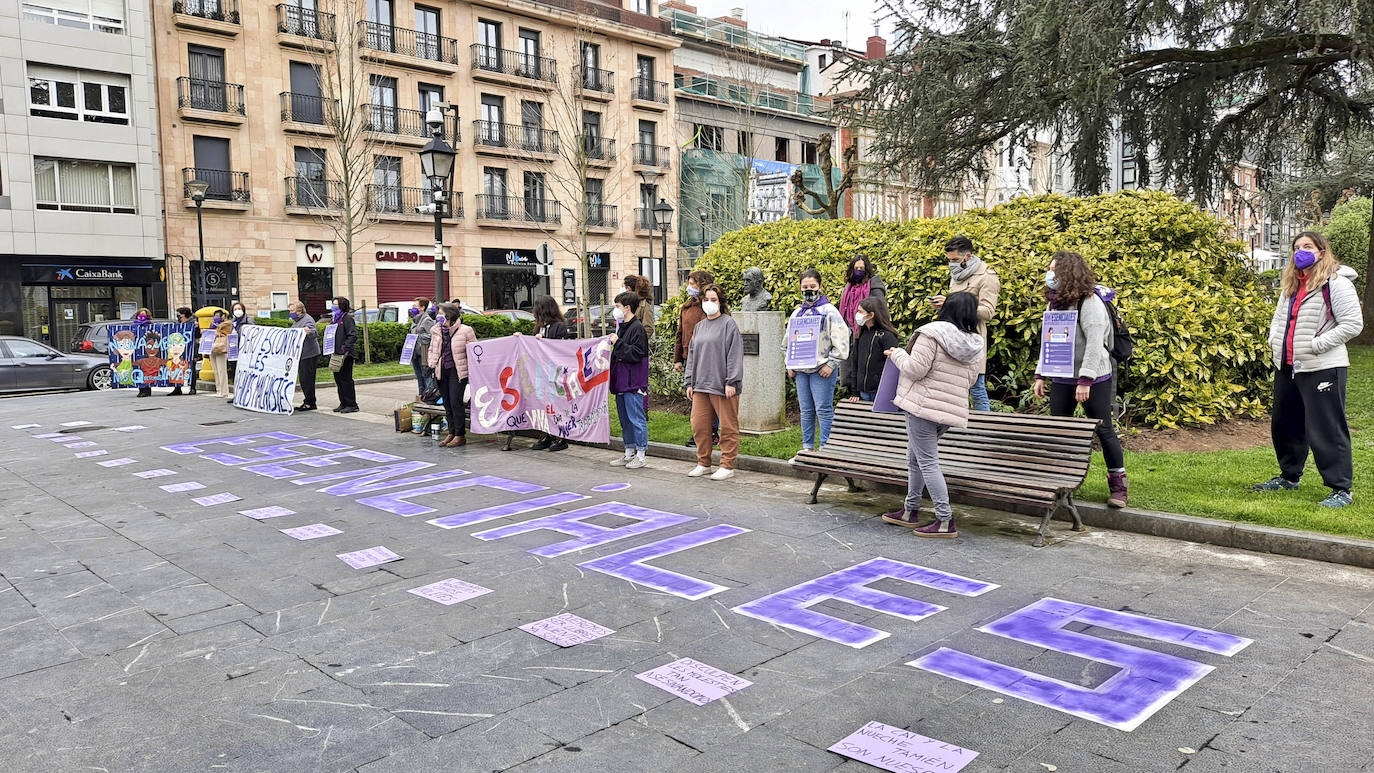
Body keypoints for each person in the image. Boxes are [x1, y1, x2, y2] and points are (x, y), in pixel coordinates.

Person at [1254, 231, 1363, 508]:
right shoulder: (1292, 283)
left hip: (1322, 366)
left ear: (1322, 251)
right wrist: (1274, 343)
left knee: (1327, 428)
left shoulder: (1336, 283)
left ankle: (1341, 489)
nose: (1300, 251)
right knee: (1285, 424)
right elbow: (1279, 319)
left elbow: (1352, 324)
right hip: (1289, 365)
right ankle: (1289, 477)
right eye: (1296, 247)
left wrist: (1316, 345)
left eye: (1308, 246)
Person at [880, 292, 985, 538]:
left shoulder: (931, 333)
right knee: (916, 459)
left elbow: (915, 370)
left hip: (922, 407)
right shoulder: (973, 343)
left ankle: (945, 519)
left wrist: (896, 354)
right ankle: (910, 510)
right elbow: (970, 380)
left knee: (927, 462)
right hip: (947, 411)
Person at [1032, 250, 1128, 508]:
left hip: (1094, 378)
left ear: (1067, 273)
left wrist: (1085, 380)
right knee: (1060, 430)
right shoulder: (1055, 302)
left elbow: (1096, 344)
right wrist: (1041, 374)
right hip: (1062, 376)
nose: (1049, 275)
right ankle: (1060, 485)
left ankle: (1119, 486)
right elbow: (1048, 340)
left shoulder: (1091, 303)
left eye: (1054, 270)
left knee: (1104, 430)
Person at [787, 268, 850, 459]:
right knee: (806, 410)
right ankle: (807, 448)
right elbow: (787, 341)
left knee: (823, 410)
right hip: (801, 370)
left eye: (812, 286)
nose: (809, 290)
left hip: (821, 369)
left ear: (820, 287)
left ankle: (826, 448)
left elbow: (841, 339)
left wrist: (831, 363)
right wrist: (789, 363)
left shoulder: (830, 311)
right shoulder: (797, 313)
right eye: (805, 287)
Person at [933, 236, 1000, 411]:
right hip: (951, 337)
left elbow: (988, 312)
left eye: (955, 260)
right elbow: (954, 305)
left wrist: (952, 304)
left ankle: (982, 430)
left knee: (976, 388)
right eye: (949, 260)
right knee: (952, 389)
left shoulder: (987, 276)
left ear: (968, 256)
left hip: (972, 339)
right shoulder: (956, 275)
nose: (952, 264)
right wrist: (942, 305)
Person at [684, 285, 744, 480]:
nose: (709, 303)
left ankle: (727, 465)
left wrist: (732, 382)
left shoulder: (729, 324)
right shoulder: (700, 326)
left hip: (723, 385)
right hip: (701, 384)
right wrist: (689, 382)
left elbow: (734, 354)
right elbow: (692, 355)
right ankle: (704, 462)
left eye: (713, 300)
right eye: (706, 299)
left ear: (720, 302)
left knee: (727, 426)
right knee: (699, 426)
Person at [674, 270, 717, 448]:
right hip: (690, 358)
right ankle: (701, 431)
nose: (689, 287)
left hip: (707, 359)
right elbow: (680, 334)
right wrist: (678, 359)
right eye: (689, 283)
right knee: (696, 398)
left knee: (710, 397)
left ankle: (712, 431)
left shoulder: (708, 307)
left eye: (693, 283)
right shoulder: (686, 308)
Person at [609, 291, 650, 469]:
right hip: (621, 381)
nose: (615, 310)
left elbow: (637, 354)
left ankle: (641, 454)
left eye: (618, 306)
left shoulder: (637, 328)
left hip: (633, 382)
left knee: (636, 418)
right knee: (625, 419)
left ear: (627, 308)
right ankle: (629, 451)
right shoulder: (623, 326)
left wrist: (618, 343)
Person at [427, 303, 477, 447]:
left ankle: (460, 435)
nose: (438, 316)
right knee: (447, 403)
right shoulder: (436, 330)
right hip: (441, 370)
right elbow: (432, 349)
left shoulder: (466, 331)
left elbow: (474, 351)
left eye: (441, 313)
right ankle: (452, 431)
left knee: (456, 402)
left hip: (458, 371)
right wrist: (432, 363)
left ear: (449, 315)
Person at [837, 254, 887, 391]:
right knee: (849, 365)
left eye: (862, 268)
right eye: (856, 268)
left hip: (866, 331)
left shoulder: (874, 286)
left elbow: (879, 307)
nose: (859, 271)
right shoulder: (848, 287)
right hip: (849, 332)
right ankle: (851, 391)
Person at [530, 295, 572, 452]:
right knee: (542, 404)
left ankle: (560, 437)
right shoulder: (540, 326)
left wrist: (544, 341)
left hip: (554, 373)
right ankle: (545, 435)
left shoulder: (559, 327)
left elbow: (559, 350)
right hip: (541, 372)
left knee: (555, 405)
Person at [845, 296, 901, 402]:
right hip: (863, 393)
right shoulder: (861, 334)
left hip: (880, 392)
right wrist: (854, 391)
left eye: (860, 312)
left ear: (871, 315)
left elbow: (892, 368)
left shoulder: (887, 336)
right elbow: (855, 363)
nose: (857, 315)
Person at [329, 297, 360, 414]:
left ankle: (352, 404)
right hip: (335, 353)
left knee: (346, 379)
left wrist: (345, 347)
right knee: (338, 380)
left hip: (345, 354)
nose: (333, 306)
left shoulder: (347, 319)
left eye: (336, 304)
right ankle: (343, 403)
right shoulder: (334, 319)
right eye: (333, 304)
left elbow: (353, 335)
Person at [289, 301, 319, 411]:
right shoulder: (296, 321)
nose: (290, 313)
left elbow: (314, 332)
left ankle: (310, 402)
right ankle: (308, 400)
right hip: (301, 355)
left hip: (308, 354)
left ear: (300, 311)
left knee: (307, 379)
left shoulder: (307, 320)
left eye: (292, 311)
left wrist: (309, 332)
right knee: (303, 379)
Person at [409, 296, 436, 401]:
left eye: (415, 306)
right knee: (419, 376)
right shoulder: (415, 320)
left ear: (422, 307)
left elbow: (432, 336)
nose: (413, 308)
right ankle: (421, 395)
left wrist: (418, 337)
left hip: (423, 353)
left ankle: (428, 396)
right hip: (415, 353)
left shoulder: (427, 320)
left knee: (426, 376)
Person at [225, 301, 253, 401]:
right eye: (235, 309)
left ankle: (247, 394)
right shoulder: (233, 322)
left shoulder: (248, 321)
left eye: (239, 309)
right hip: (234, 351)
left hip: (244, 350)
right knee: (235, 373)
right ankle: (237, 394)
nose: (237, 311)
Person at [169, 307, 197, 397]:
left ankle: (192, 387)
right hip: (179, 350)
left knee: (191, 368)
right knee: (177, 368)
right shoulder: (178, 325)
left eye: (179, 314)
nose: (178, 316)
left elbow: (197, 338)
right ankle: (177, 388)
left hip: (190, 349)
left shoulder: (193, 324)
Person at [133, 307, 155, 397]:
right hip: (137, 351)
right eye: (141, 314)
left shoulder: (150, 325)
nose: (142, 316)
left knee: (147, 371)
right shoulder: (134, 326)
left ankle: (147, 390)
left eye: (144, 314)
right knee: (138, 370)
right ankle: (141, 389)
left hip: (147, 351)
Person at [210, 316, 232, 398]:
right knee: (216, 370)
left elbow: (228, 333)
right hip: (212, 346)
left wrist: (219, 331)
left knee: (221, 370)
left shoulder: (226, 324)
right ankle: (218, 390)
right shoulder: (212, 324)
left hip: (221, 348)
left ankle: (224, 391)